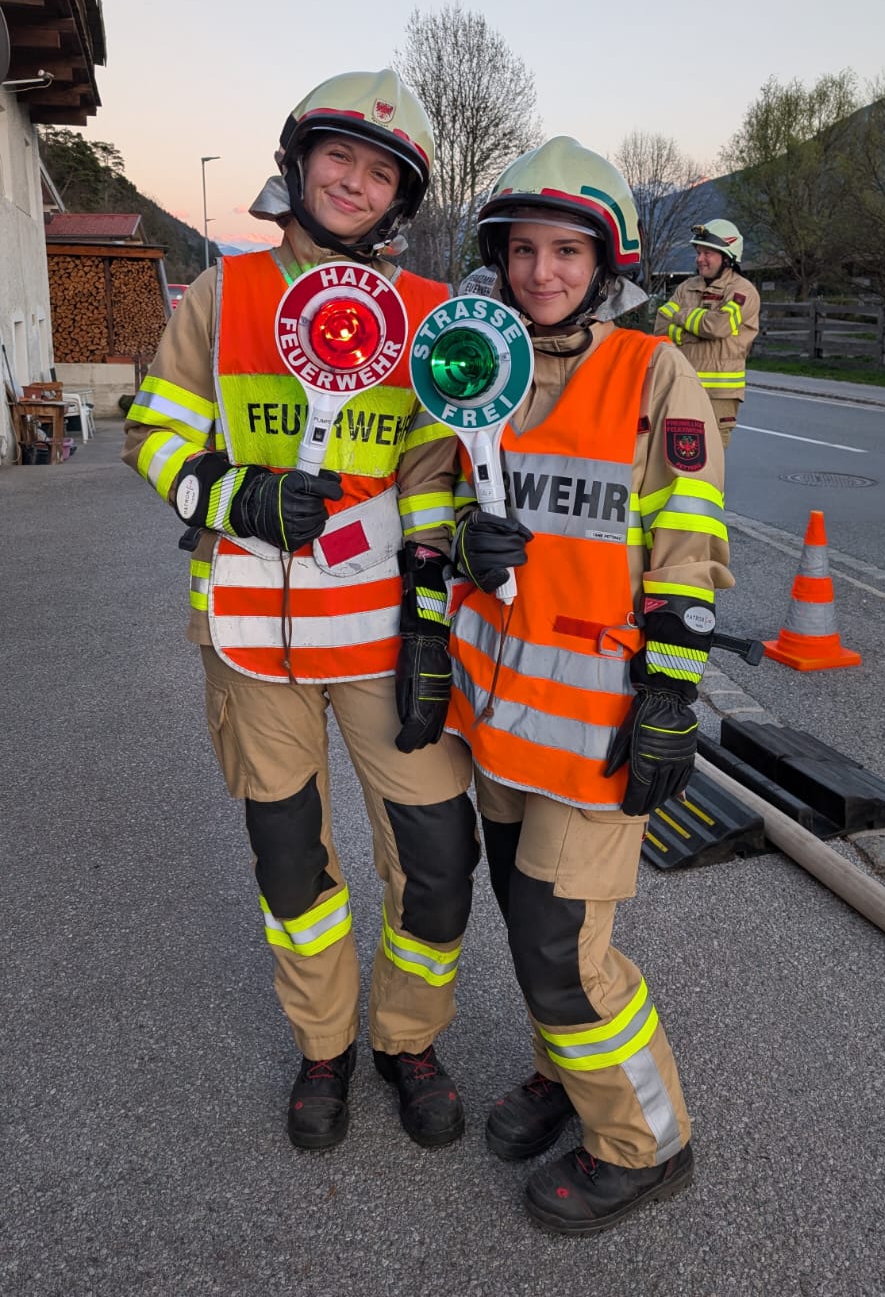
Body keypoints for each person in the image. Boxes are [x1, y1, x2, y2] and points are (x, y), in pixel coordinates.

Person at [123, 70, 480, 1153]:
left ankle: (407, 1039)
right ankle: (325, 1046)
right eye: (340, 158)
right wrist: (235, 495)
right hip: (249, 634)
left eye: (380, 173)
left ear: (400, 198)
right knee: (291, 861)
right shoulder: (221, 294)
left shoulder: (428, 318)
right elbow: (155, 435)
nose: (355, 182)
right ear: (299, 162)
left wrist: (433, 617)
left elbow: (430, 476)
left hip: (378, 636)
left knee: (437, 856)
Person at [446, 138, 733, 1235]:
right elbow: (448, 500)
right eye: (523, 250)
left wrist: (671, 695)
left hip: (600, 725)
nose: (541, 272)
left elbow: (690, 543)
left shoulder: (652, 372)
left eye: (566, 251)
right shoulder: (483, 366)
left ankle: (646, 1142)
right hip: (502, 715)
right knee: (531, 930)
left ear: (605, 261)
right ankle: (565, 1073)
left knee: (565, 953)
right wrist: (463, 541)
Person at [654, 220, 760, 448]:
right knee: (679, 456)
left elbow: (718, 327)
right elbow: (661, 327)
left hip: (720, 394)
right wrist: (699, 330)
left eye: (707, 253)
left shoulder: (742, 291)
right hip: (683, 387)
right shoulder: (686, 287)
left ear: (727, 257)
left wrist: (681, 317)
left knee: (711, 458)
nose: (699, 259)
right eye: (698, 252)